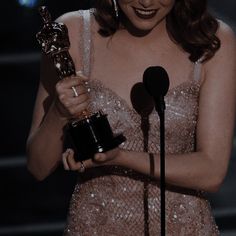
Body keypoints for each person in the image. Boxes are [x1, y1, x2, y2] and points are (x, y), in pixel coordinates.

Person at [27, 0, 236, 235]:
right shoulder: (72, 33)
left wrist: (120, 157)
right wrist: (59, 113)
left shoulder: (212, 41)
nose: (146, 2)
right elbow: (38, 167)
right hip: (96, 226)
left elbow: (212, 172)